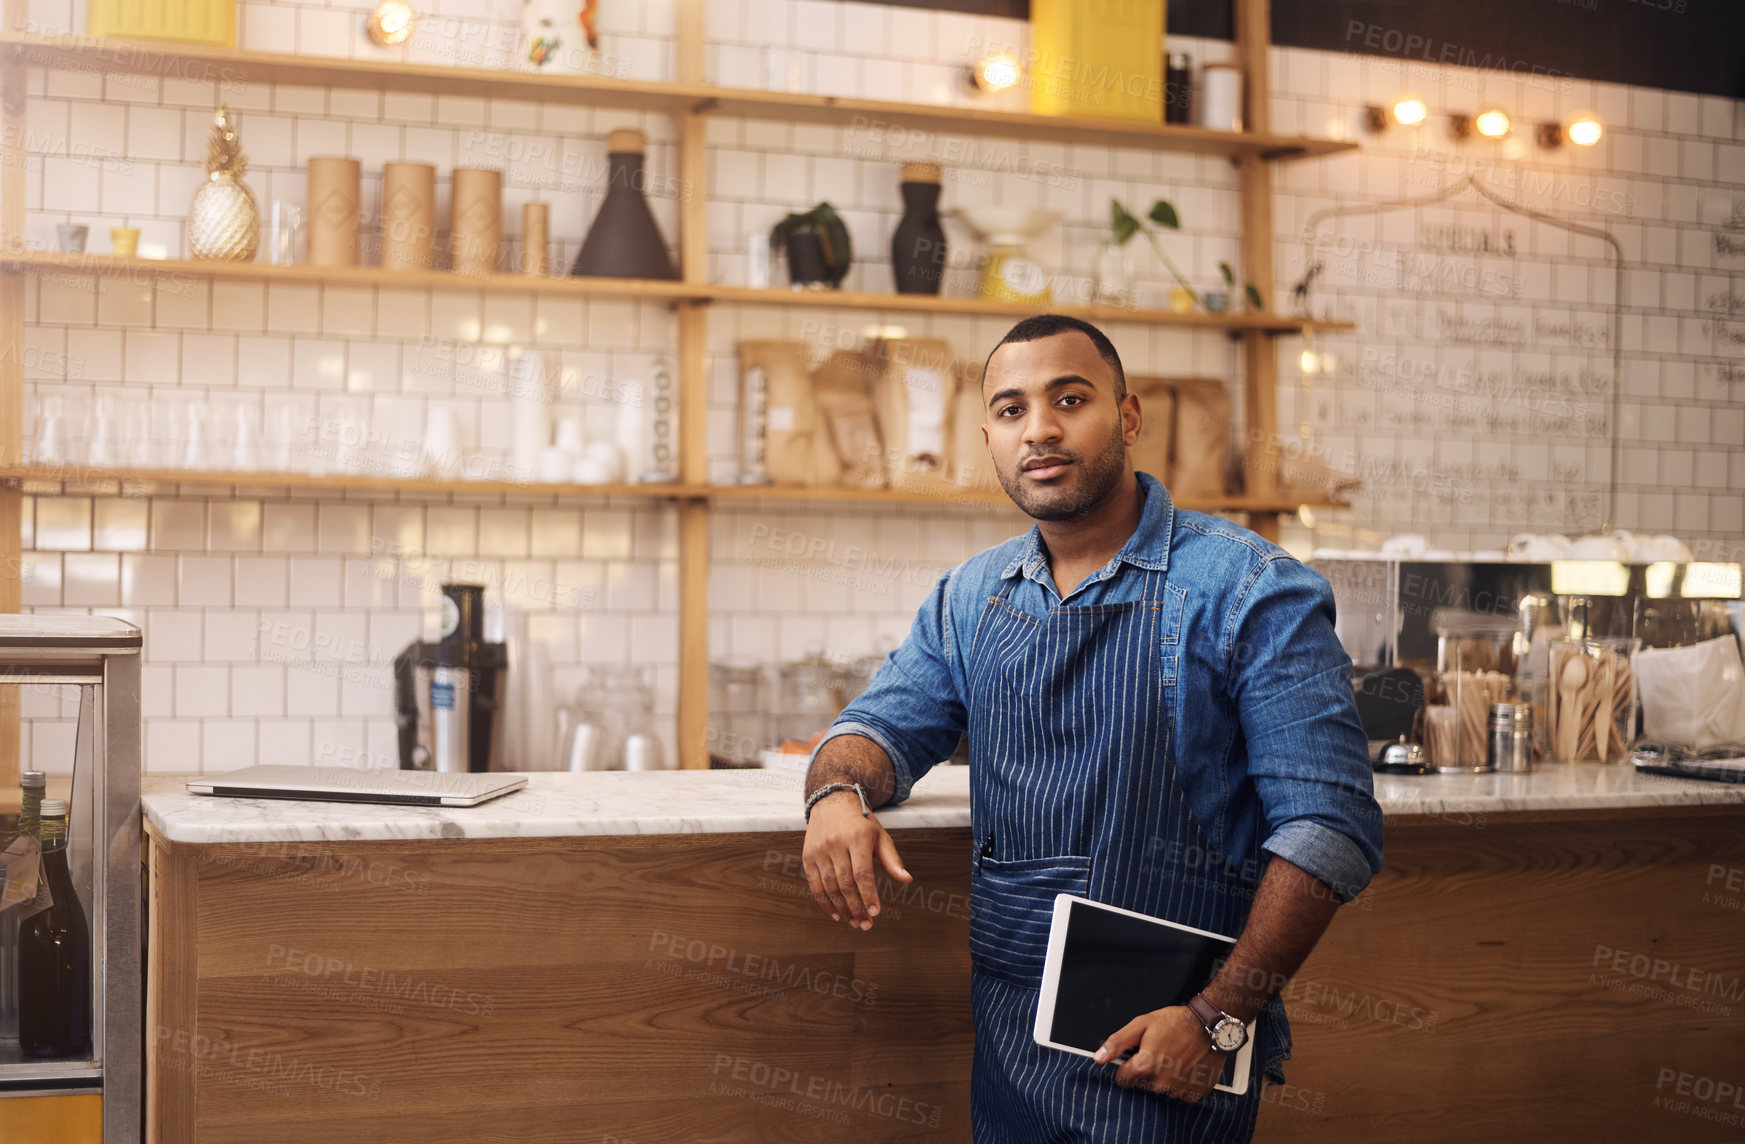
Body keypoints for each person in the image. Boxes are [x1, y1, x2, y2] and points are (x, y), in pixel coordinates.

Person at [800, 314, 1384, 1141]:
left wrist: (1220, 1018)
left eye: (1068, 399)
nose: (1038, 428)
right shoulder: (973, 597)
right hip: (1007, 1047)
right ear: (990, 438)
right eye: (1009, 411)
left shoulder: (1250, 590)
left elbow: (1330, 830)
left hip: (1170, 1045)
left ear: (1129, 416)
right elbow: (877, 730)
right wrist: (834, 794)